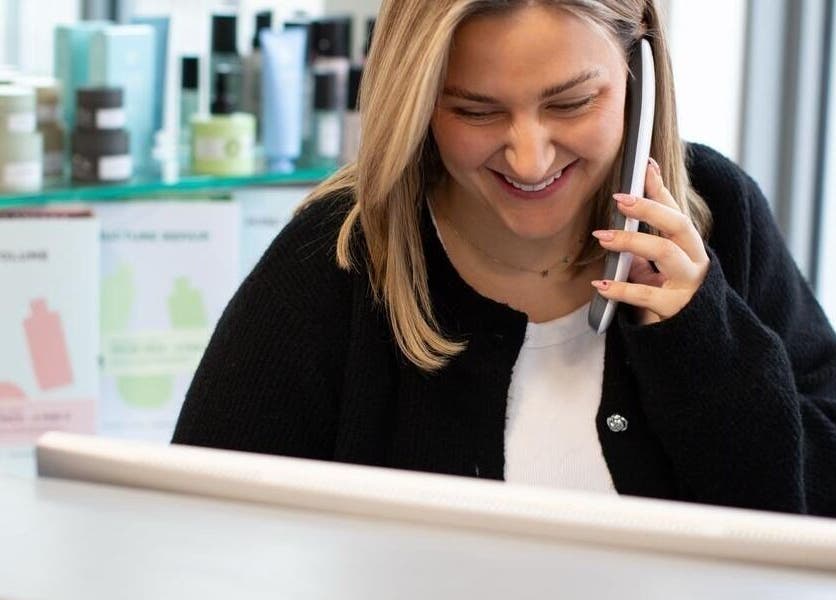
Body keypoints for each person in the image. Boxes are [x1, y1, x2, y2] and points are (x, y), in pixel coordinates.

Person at [172, 0, 836, 516]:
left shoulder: (719, 216)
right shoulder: (336, 260)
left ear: (641, 72)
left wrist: (705, 344)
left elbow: (815, 511)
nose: (529, 158)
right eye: (477, 112)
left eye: (572, 103)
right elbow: (193, 532)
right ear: (420, 103)